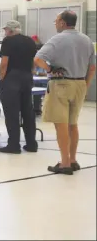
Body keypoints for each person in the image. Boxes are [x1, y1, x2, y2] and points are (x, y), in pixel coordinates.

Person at [34, 10, 96, 175]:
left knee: (60, 124)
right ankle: (73, 159)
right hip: (80, 84)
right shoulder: (87, 40)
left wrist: (50, 68)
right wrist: (86, 85)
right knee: (72, 124)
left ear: (62, 22)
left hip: (61, 85)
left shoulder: (57, 39)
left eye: (56, 21)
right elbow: (92, 66)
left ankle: (65, 163)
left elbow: (38, 58)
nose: (55, 23)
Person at [0, 20, 38, 154]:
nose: (5, 32)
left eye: (6, 30)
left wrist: (2, 79)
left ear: (10, 30)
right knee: (28, 111)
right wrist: (30, 74)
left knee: (12, 113)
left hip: (12, 78)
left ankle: (14, 145)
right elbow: (33, 61)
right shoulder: (30, 41)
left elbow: (4, 63)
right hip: (27, 78)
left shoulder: (8, 41)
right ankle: (31, 144)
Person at [31, 35, 47, 115]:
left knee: (37, 86)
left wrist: (37, 73)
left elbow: (47, 73)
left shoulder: (45, 61)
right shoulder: (32, 62)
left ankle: (37, 108)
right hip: (33, 81)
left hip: (45, 82)